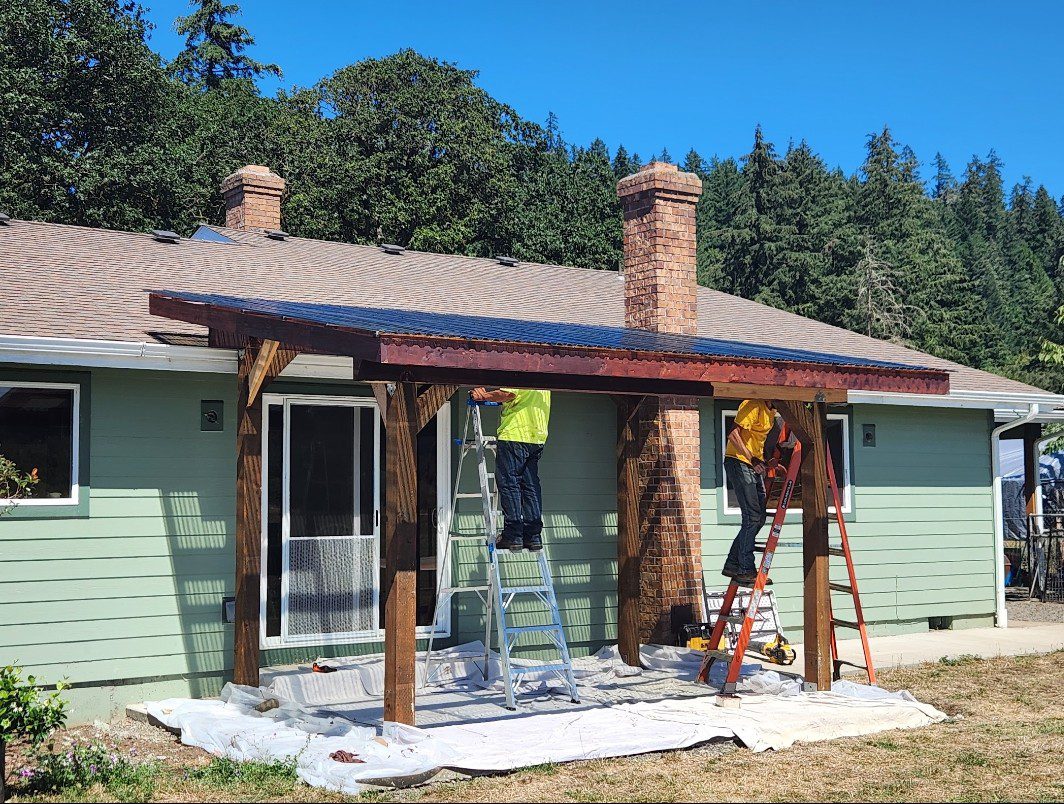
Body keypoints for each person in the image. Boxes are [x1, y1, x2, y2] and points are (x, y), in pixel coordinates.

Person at [470, 387, 551, 552]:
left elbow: (508, 393)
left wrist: (483, 396)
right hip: (537, 437)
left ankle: (513, 535)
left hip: (515, 435)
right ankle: (533, 536)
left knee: (509, 484)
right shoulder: (543, 378)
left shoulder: (522, 373)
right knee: (530, 486)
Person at [722, 399, 779, 586]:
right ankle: (745, 570)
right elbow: (733, 434)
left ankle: (733, 564)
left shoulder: (771, 413)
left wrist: (764, 460)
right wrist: (752, 459)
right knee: (752, 516)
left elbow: (757, 441)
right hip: (738, 461)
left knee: (759, 518)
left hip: (753, 464)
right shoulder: (753, 404)